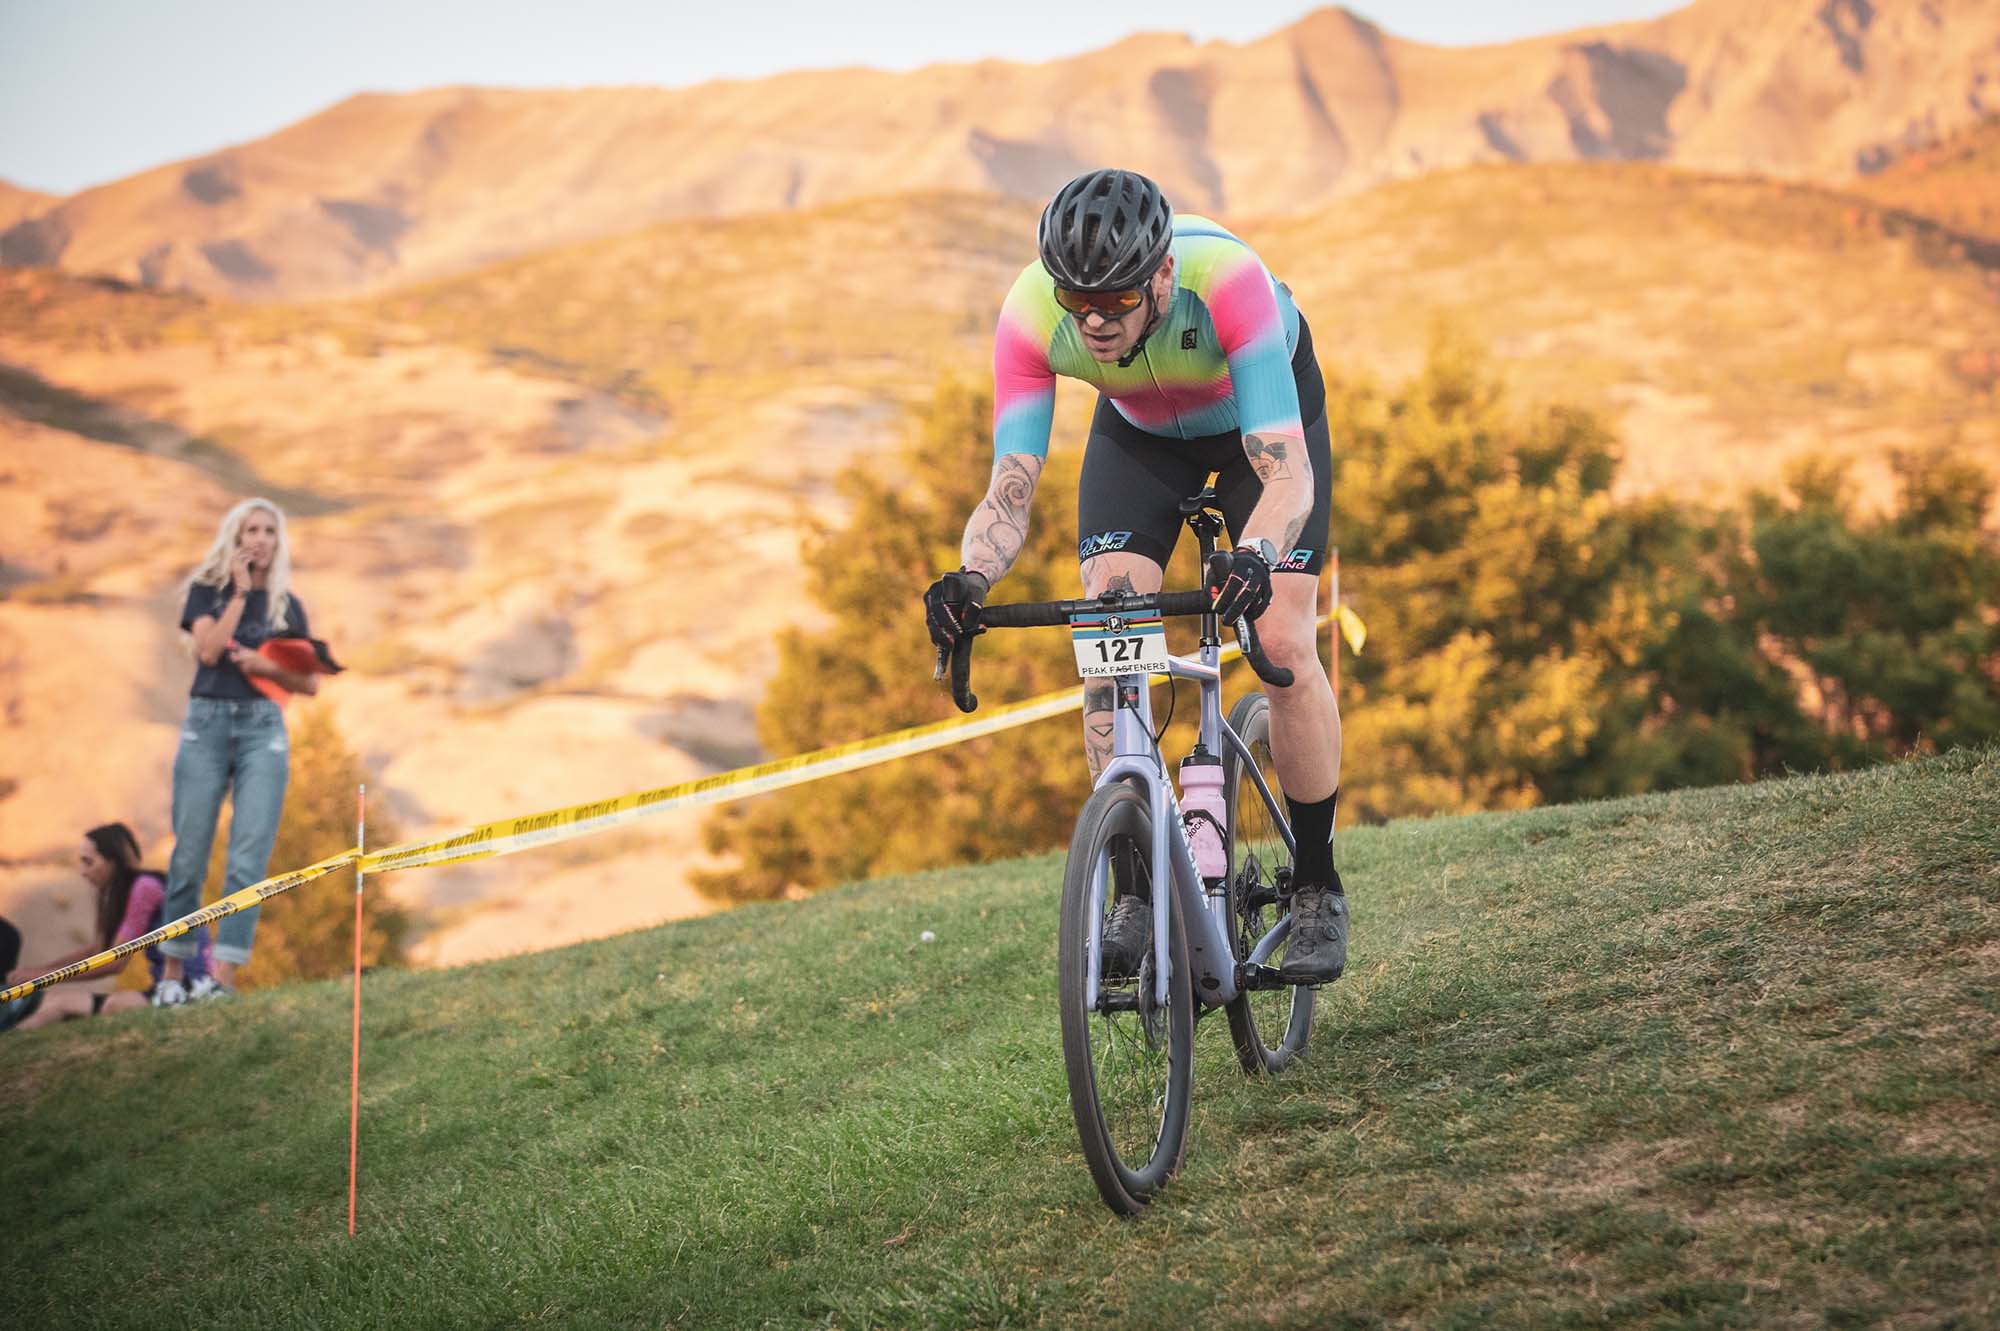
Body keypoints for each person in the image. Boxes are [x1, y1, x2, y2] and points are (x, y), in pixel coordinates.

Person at [923, 168, 1348, 985]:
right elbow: (1009, 484)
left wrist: (1254, 559)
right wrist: (969, 578)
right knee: (1109, 637)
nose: (1093, 321)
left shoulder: (1229, 283)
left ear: (1161, 275)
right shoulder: (1030, 316)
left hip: (1262, 433)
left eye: (1115, 302)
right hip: (1142, 437)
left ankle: (1317, 887)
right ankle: (1134, 884)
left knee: (1281, 636)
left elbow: (1288, 477)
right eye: (1077, 301)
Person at [153, 498, 319, 1004]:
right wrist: (240, 594)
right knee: (190, 853)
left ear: (279, 540)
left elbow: (309, 682)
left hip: (262, 729)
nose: (261, 539)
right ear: (235, 536)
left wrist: (265, 668)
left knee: (248, 856)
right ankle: (172, 977)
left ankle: (221, 981)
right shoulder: (207, 593)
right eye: (252, 529)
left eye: (270, 530)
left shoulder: (288, 605)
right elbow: (207, 651)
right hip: (206, 723)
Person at [2, 823, 215, 1024]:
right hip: (165, 986)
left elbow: (114, 962)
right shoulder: (123, 893)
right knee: (52, 1001)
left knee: (103, 1004)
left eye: (88, 862)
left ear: (112, 861)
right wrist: (37, 972)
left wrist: (40, 977)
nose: (83, 872)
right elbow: (98, 950)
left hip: (190, 986)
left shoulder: (144, 887)